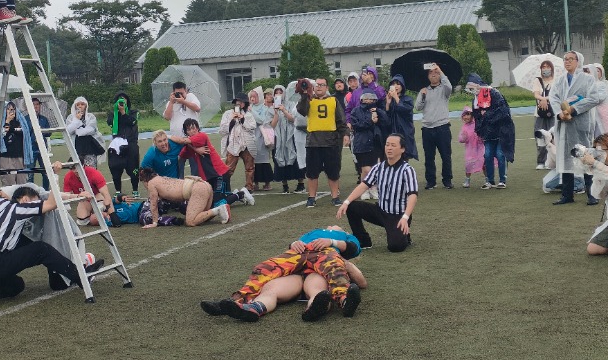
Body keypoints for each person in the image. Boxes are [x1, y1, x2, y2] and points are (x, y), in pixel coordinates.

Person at [200, 225, 364, 322]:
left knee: (323, 284)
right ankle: (245, 305)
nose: (332, 226)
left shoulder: (345, 237)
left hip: (322, 259)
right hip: (298, 260)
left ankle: (343, 301)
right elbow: (292, 248)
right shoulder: (311, 233)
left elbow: (353, 250)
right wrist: (294, 243)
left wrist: (333, 242)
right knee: (265, 272)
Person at [0, 185, 82, 307]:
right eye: (35, 201)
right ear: (25, 200)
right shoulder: (18, 208)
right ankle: (80, 276)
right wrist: (53, 176)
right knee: (41, 249)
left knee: (17, 285)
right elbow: (51, 204)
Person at [337, 133, 418, 252]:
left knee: (395, 247)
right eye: (387, 145)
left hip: (398, 215)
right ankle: (364, 241)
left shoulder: (407, 170)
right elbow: (364, 185)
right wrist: (346, 201)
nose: (389, 148)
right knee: (351, 207)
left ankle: (404, 235)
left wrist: (405, 217)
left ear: (402, 149)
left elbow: (413, 195)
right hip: (380, 211)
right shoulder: (378, 167)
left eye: (393, 145)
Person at [549, 51, 601, 205]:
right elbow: (553, 98)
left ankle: (592, 194)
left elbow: (593, 98)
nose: (567, 62)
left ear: (578, 61)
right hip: (564, 125)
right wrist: (560, 114)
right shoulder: (559, 81)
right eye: (565, 59)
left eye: (571, 59)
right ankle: (567, 195)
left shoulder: (588, 79)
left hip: (580, 124)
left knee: (585, 157)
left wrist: (573, 109)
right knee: (565, 159)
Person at [296, 77, 349, 208]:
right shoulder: (309, 99)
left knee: (333, 171)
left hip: (331, 141)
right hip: (313, 142)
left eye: (322, 85)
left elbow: (341, 120)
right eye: (317, 84)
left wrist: (346, 134)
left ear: (327, 88)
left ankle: (335, 197)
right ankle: (311, 197)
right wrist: (304, 95)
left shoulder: (333, 100)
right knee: (312, 173)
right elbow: (301, 111)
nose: (319, 87)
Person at [179, 118, 254, 208]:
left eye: (193, 128)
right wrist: (195, 149)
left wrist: (170, 137)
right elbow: (181, 156)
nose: (192, 131)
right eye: (189, 129)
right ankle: (233, 194)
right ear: (186, 132)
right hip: (208, 177)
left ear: (198, 128)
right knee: (210, 203)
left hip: (219, 174)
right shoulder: (189, 146)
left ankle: (241, 194)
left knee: (218, 204)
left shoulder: (202, 136)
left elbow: (184, 141)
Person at [467, 74, 515, 190]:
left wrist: (487, 115)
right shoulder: (475, 99)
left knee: (500, 154)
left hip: (501, 130)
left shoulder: (494, 93)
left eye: (474, 86)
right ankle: (490, 180)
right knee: (487, 155)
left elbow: (503, 111)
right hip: (488, 133)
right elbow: (477, 116)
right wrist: (479, 131)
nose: (473, 89)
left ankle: (502, 180)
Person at [137, 167, 230, 228]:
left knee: (190, 222)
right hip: (204, 185)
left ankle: (219, 210)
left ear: (144, 180)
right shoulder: (160, 177)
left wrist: (154, 223)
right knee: (201, 217)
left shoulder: (151, 184)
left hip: (196, 189)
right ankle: (219, 210)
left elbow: (153, 205)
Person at [415, 63, 453, 190]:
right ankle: (430, 181)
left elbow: (449, 86)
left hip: (442, 126)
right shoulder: (423, 90)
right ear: (428, 76)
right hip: (427, 128)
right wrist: (423, 96)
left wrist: (440, 70)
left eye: (435, 73)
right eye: (431, 73)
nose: (433, 75)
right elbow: (418, 107)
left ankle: (447, 180)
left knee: (446, 155)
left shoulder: (444, 89)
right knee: (429, 157)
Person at [349, 92, 391, 200]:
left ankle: (373, 188)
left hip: (376, 142)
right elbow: (356, 125)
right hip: (361, 143)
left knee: (374, 168)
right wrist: (370, 121)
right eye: (366, 98)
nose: (369, 101)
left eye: (371, 99)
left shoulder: (377, 110)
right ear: (361, 100)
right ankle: (366, 189)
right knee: (366, 169)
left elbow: (386, 123)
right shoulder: (356, 111)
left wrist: (379, 113)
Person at [219, 93, 257, 192]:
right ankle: (224, 187)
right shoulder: (228, 114)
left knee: (250, 167)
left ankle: (249, 187)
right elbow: (222, 130)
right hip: (233, 144)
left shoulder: (248, 115)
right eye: (237, 101)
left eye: (241, 102)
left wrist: (242, 119)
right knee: (228, 168)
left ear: (245, 103)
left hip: (247, 144)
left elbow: (252, 127)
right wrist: (232, 120)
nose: (239, 104)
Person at [107, 92, 140, 197]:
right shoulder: (112, 114)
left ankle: (135, 189)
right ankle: (118, 190)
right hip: (117, 145)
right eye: (120, 99)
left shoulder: (134, 112)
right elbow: (110, 123)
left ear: (127, 100)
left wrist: (123, 113)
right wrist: (117, 112)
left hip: (131, 144)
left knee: (133, 169)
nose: (122, 101)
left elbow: (132, 122)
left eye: (124, 99)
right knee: (115, 167)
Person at [272, 85, 304, 193]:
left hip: (291, 135)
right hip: (279, 136)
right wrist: (276, 113)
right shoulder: (272, 108)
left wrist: (284, 110)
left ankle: (301, 183)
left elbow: (293, 119)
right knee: (280, 158)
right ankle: (284, 185)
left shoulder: (291, 104)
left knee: (295, 157)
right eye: (277, 92)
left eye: (281, 92)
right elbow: (272, 125)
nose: (279, 94)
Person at [384, 74, 418, 161]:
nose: (396, 86)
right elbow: (387, 118)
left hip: (405, 132)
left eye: (398, 84)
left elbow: (406, 111)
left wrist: (396, 97)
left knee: (404, 157)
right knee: (392, 158)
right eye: (393, 84)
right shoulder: (390, 100)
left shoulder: (408, 99)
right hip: (393, 131)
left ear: (402, 86)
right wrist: (387, 103)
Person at [249, 87, 277, 191]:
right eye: (251, 97)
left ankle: (267, 182)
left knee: (264, 160)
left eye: (254, 96)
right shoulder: (249, 107)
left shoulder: (264, 107)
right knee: (253, 161)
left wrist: (252, 112)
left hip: (262, 135)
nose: (252, 99)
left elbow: (262, 120)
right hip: (252, 135)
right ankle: (255, 183)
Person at [0, 101, 32, 186]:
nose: (11, 111)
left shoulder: (21, 122)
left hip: (20, 156)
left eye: (13, 109)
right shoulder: (0, 123)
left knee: (22, 183)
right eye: (9, 109)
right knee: (9, 184)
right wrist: (7, 121)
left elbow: (25, 133)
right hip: (6, 156)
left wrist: (13, 129)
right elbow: (2, 136)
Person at [66, 96, 104, 168]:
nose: (80, 106)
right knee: (78, 170)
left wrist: (77, 130)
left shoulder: (91, 117)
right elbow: (69, 131)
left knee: (91, 171)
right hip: (77, 148)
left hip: (90, 148)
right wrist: (76, 120)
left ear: (86, 105)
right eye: (78, 104)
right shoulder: (70, 118)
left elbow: (91, 130)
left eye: (82, 104)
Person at [532, 60, 556, 169]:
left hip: (553, 112)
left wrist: (545, 99)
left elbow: (557, 95)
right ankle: (541, 161)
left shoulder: (557, 81)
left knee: (553, 136)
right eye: (543, 67)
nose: (545, 69)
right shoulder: (538, 81)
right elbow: (536, 94)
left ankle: (552, 161)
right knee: (540, 135)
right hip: (540, 113)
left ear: (551, 68)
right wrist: (543, 100)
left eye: (548, 66)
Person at [27, 98, 52, 190]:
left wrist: (41, 130)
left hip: (42, 149)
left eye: (37, 104)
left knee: (46, 171)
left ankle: (46, 190)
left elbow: (49, 133)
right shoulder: (25, 119)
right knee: (30, 172)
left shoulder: (44, 119)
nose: (36, 106)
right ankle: (31, 191)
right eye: (33, 104)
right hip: (31, 149)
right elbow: (24, 134)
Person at [458, 106, 484, 189]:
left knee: (484, 163)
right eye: (464, 115)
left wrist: (480, 137)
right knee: (468, 164)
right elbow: (461, 139)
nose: (466, 117)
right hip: (470, 149)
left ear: (472, 115)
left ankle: (488, 179)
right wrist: (463, 137)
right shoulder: (464, 127)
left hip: (480, 147)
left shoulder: (477, 123)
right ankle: (467, 180)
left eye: (468, 114)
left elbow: (482, 133)